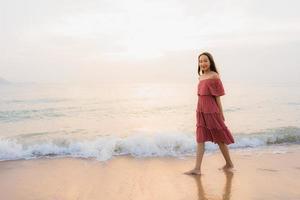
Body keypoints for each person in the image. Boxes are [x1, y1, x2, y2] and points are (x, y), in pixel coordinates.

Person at [184, 52, 235, 175]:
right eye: (200, 61)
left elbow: (217, 97)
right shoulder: (200, 77)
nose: (203, 63)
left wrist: (220, 113)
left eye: (205, 61)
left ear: (210, 61)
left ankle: (229, 163)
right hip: (201, 110)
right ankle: (197, 168)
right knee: (200, 138)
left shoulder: (214, 76)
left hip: (211, 111)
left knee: (219, 139)